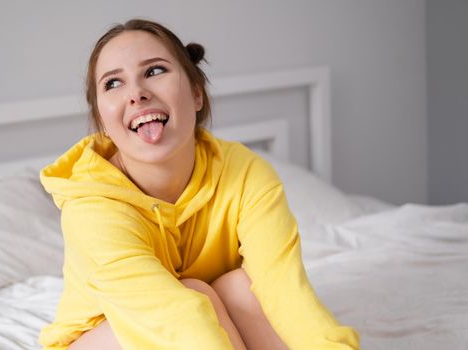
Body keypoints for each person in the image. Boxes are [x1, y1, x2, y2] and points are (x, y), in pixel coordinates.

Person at [39, 18, 360, 350]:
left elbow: (285, 289)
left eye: (153, 71)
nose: (136, 94)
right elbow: (173, 317)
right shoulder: (91, 208)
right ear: (102, 122)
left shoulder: (246, 174)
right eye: (113, 83)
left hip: (203, 321)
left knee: (241, 287)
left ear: (196, 94)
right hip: (109, 334)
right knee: (194, 293)